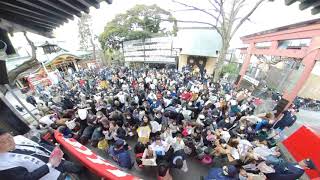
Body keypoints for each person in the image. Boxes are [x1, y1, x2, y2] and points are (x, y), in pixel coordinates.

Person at [0, 128, 82, 180]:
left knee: (79, 168)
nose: (10, 141)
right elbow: (27, 178)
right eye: (3, 142)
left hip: (59, 161)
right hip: (52, 176)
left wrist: (55, 149)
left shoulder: (18, 138)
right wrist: (50, 165)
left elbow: (39, 145)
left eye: (9, 137)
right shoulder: (3, 165)